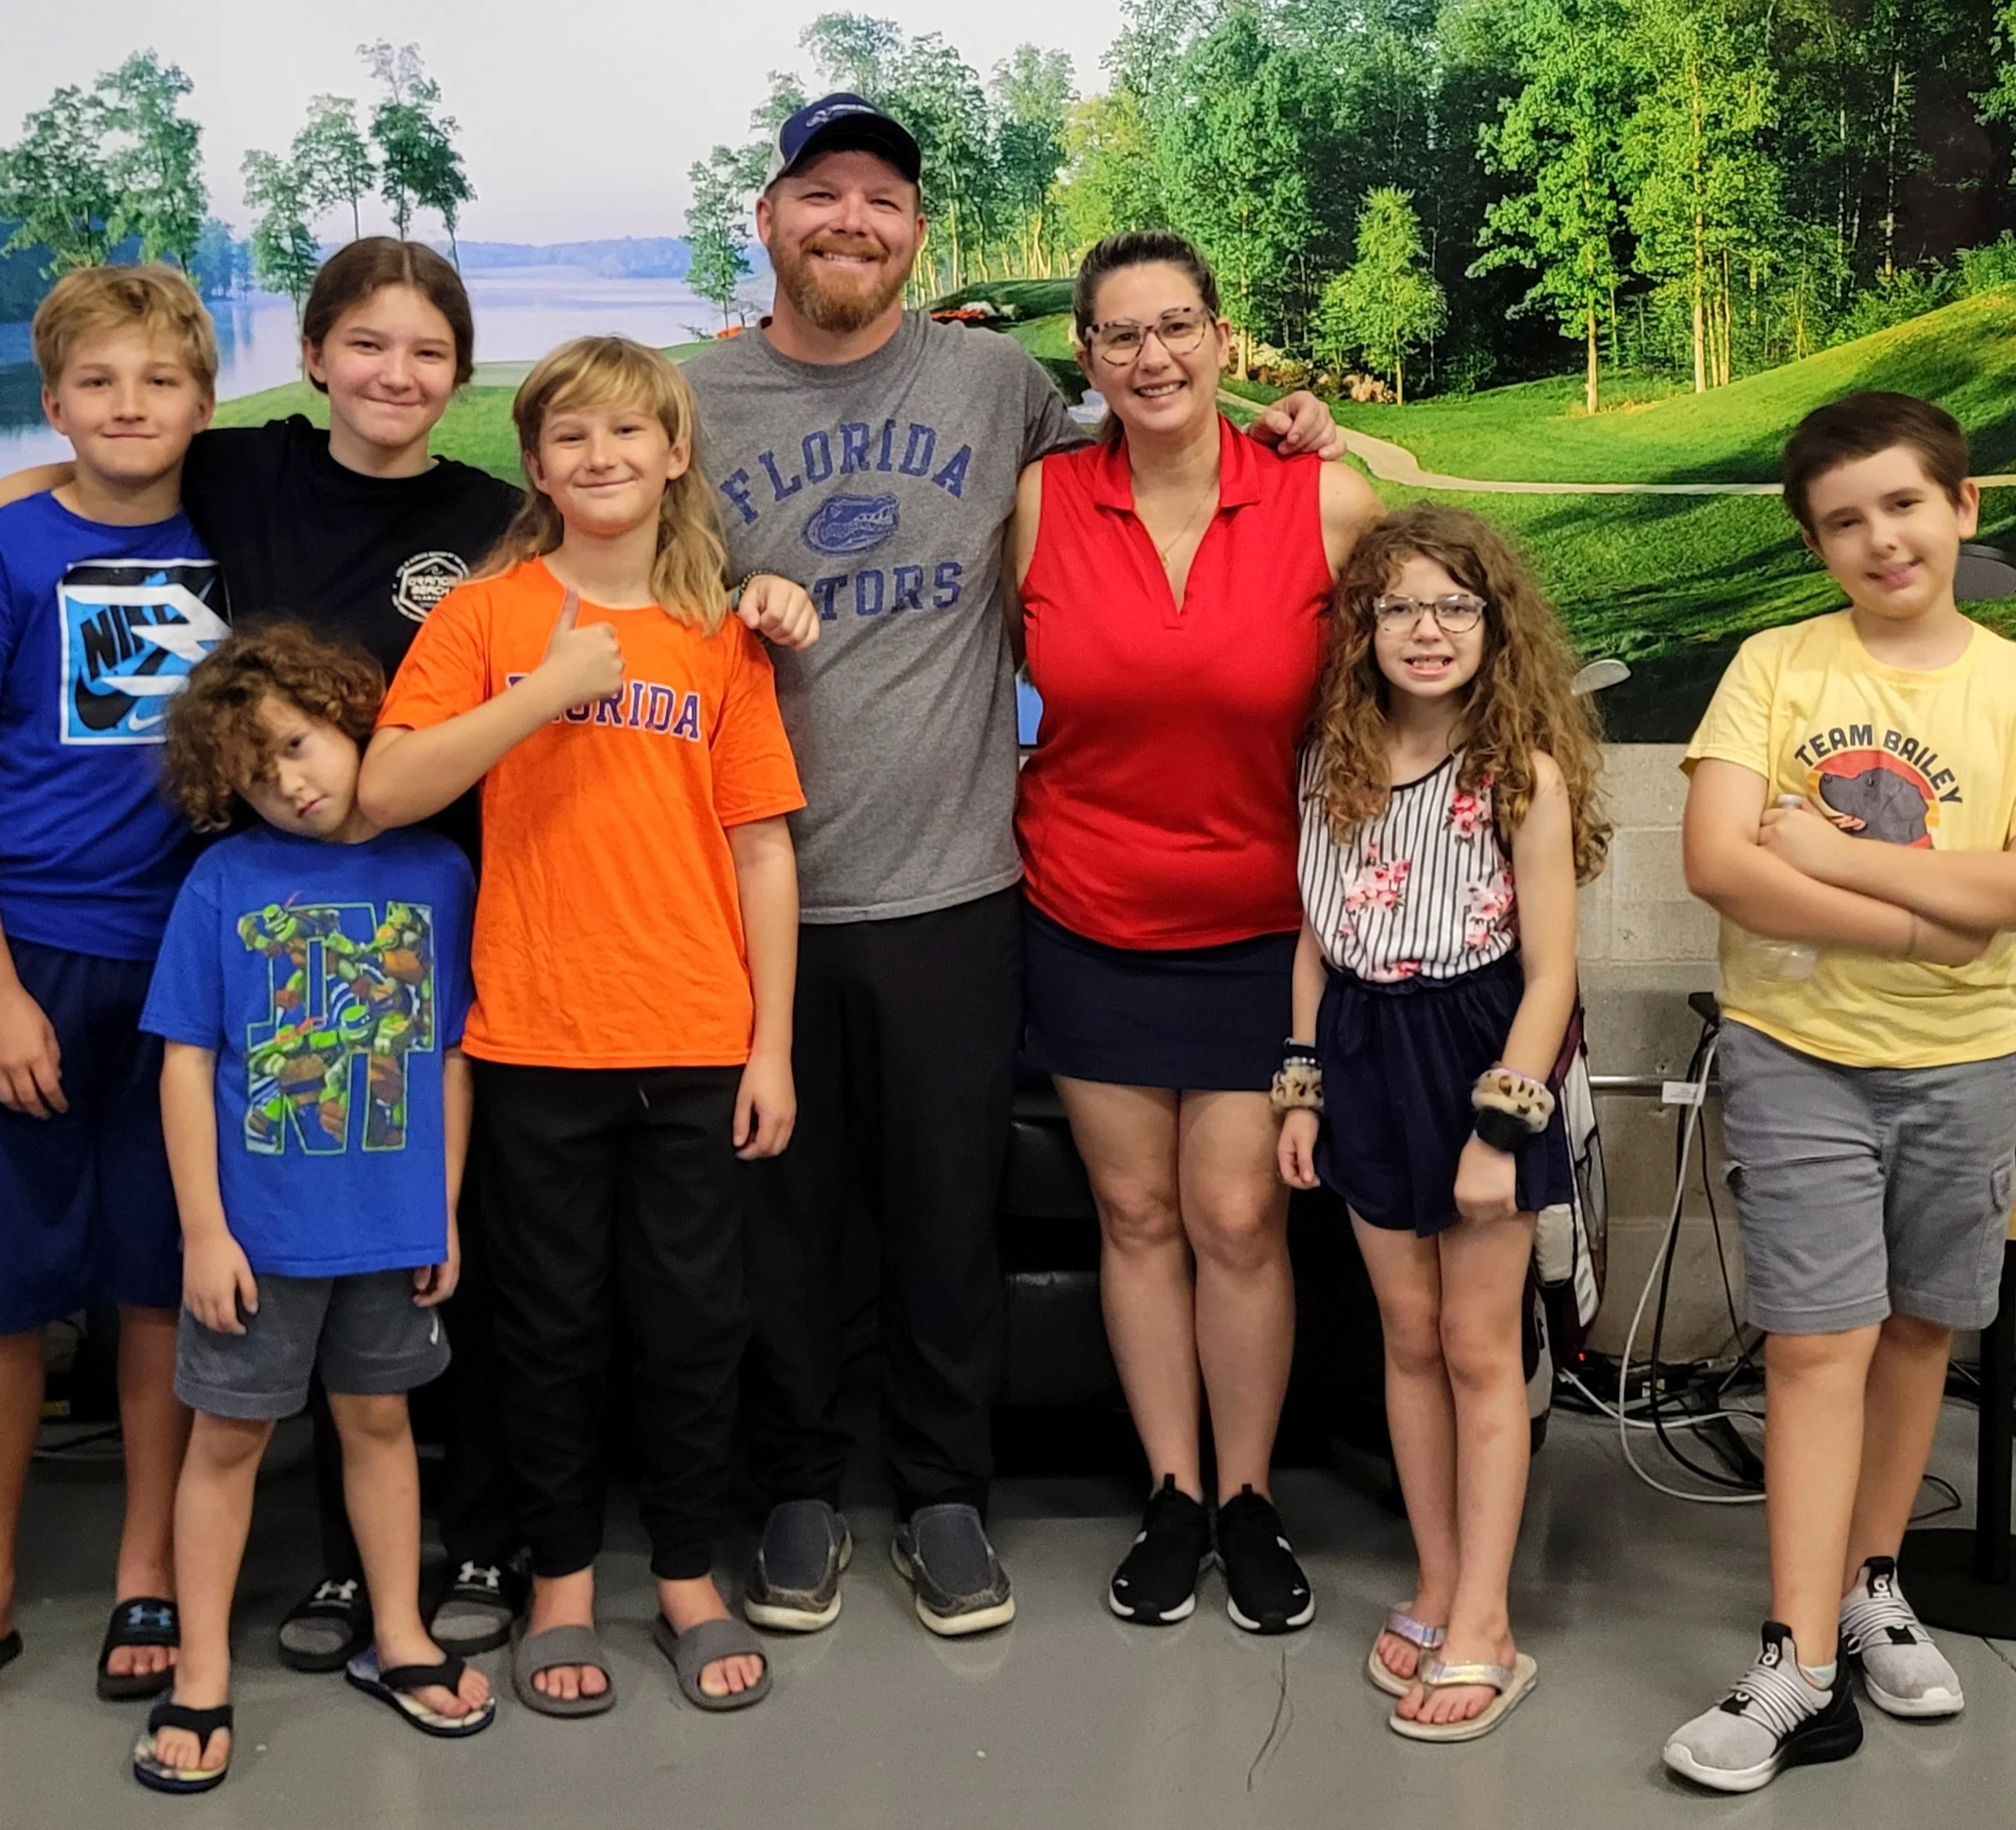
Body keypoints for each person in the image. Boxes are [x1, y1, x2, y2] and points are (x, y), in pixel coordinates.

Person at [0, 238, 815, 1666]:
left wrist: (763, 594)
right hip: (237, 920)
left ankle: (484, 1551)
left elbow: (640, 562)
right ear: (314, 356)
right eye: (366, 345)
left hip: (430, 934)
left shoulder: (493, 519)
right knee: (227, 1247)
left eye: (428, 352)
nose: (396, 374)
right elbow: (98, 461)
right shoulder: (251, 475)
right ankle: (273, 1573)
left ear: (457, 376)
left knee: (390, 1255)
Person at [687, 93, 1345, 1640]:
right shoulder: (690, 401)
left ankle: (942, 1495)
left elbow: (1164, 439)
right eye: (820, 195)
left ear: (919, 235)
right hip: (749, 880)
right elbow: (568, 544)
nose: (852, 222)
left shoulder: (991, 384)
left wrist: (1303, 425)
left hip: (961, 885)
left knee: (940, 1217)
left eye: (884, 202)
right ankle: (796, 1487)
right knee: (781, 1215)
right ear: (769, 217)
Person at [359, 336, 810, 1716]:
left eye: (629, 434)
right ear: (536, 464)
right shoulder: (487, 616)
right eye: (569, 438)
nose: (600, 458)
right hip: (536, 1038)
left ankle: (682, 1574)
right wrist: (543, 691)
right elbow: (383, 788)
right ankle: (560, 1581)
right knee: (548, 1327)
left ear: (678, 454)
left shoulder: (723, 629)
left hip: (692, 1039)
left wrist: (772, 1042)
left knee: (691, 1324)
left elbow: (762, 848)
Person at [1004, 231, 1379, 1635]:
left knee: (1234, 1215)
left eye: (1176, 328)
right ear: (1087, 359)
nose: (1151, 358)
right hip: (1084, 911)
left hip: (1261, 924)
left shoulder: (1319, 497)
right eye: (1119, 335)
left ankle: (1248, 1498)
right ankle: (1171, 1492)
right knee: (1140, 1213)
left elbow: (1442, 643)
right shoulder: (1043, 503)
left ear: (1223, 338)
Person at [1664, 391, 2016, 1793]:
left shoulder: (2006, 683)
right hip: (1798, 1048)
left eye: (1904, 505)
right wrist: (1929, 924)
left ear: (1964, 506)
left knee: (1924, 1331)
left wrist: (1833, 853)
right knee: (1818, 1345)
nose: (1882, 539)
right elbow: (1718, 862)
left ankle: (1874, 1583)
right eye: (1846, 521)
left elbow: (2010, 890)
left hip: (1971, 1060)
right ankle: (1799, 1662)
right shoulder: (1775, 665)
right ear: (1818, 545)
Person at [0, 266, 227, 1733]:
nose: (130, 409)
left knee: (161, 1279)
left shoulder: (240, 531)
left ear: (204, 402)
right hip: (19, 958)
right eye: (98, 385)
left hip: (182, 968)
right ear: (53, 404)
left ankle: (151, 1563)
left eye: (159, 383)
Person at [130, 623, 493, 1793]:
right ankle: (197, 1676)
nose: (288, 781)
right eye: (253, 769)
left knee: (380, 1428)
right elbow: (185, 1060)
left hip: (388, 1231)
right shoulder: (223, 879)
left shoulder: (439, 869)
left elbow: (447, 1055)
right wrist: (202, 1230)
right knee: (228, 1441)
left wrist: (438, 1211)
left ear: (349, 720)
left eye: (297, 744)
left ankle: (399, 1638)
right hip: (256, 1237)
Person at [1282, 505, 1606, 1742]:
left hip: (1476, 1055)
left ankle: (1488, 1622)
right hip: (1362, 1046)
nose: (1427, 631)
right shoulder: (1330, 754)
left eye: (1454, 607)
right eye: (1400, 606)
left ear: (1492, 624)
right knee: (1406, 1341)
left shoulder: (1518, 768)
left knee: (1479, 1349)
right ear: (1363, 626)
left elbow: (1552, 975)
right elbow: (1316, 937)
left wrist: (1499, 1132)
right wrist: (1303, 1084)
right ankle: (1432, 1581)